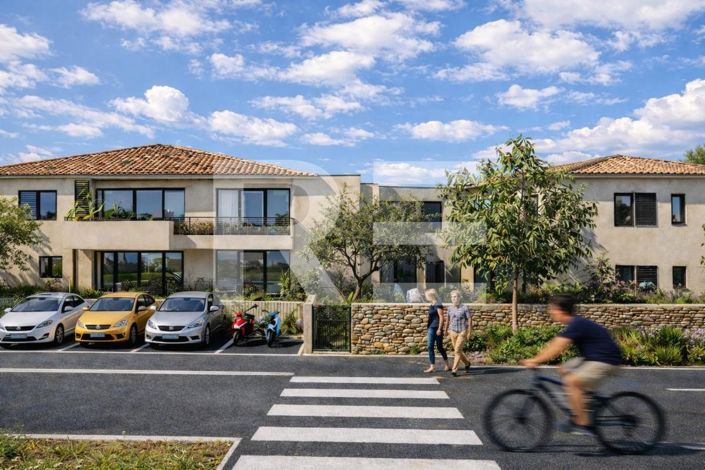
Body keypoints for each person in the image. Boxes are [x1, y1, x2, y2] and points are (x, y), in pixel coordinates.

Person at [520, 294, 622, 435]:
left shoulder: (576, 324)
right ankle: (585, 403)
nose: (550, 311)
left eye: (552, 308)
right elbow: (555, 345)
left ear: (560, 310)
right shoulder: (575, 323)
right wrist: (536, 359)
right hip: (595, 358)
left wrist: (535, 360)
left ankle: (582, 423)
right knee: (565, 368)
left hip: (606, 360)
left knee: (572, 381)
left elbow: (556, 348)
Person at [445, 289, 473, 376]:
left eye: (456, 297)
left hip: (462, 331)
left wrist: (469, 331)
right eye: (453, 297)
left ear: (459, 298)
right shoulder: (449, 308)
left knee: (457, 350)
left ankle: (454, 369)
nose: (454, 298)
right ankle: (467, 363)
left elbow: (469, 319)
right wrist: (446, 330)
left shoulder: (464, 307)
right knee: (458, 351)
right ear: (451, 298)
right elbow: (447, 320)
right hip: (452, 331)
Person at [424, 288, 450, 373]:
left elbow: (442, 317)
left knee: (439, 347)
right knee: (430, 346)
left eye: (426, 295)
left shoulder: (438, 305)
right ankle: (432, 366)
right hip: (431, 328)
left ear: (430, 295)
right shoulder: (431, 305)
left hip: (436, 328)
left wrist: (439, 329)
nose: (425, 297)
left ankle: (447, 364)